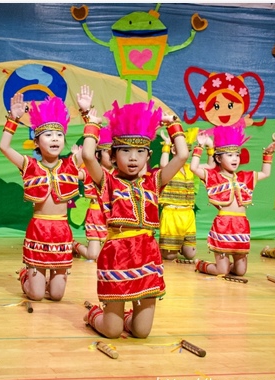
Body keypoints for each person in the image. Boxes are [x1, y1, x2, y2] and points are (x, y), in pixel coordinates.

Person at [80, 88, 189, 339]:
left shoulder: (154, 181)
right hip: (117, 255)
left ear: (149, 155)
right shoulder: (107, 182)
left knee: (141, 333)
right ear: (112, 155)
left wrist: (173, 124)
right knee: (112, 332)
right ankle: (95, 315)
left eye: (140, 152)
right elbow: (87, 155)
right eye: (125, 151)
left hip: (147, 255)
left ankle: (125, 317)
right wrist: (92, 124)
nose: (133, 158)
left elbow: (182, 155)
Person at [0, 92, 83, 302]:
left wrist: (87, 114)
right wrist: (13, 119)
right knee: (36, 295)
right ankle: (25, 275)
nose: (55, 138)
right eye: (48, 135)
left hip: (62, 232)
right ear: (36, 142)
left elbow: (90, 151)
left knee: (56, 295)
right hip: (38, 231)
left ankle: (45, 280)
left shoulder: (72, 164)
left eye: (59, 135)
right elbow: (4, 147)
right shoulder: (29, 165)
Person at [190, 125, 275, 277]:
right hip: (223, 225)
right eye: (230, 155)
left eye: (237, 155)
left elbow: (266, 173)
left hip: (241, 225)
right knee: (222, 272)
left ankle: (226, 265)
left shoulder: (246, 177)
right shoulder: (213, 177)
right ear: (218, 158)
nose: (235, 159)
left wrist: (268, 153)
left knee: (240, 271)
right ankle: (202, 265)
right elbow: (193, 168)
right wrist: (200, 146)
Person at [157, 127, 204, 261]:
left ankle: (182, 245)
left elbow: (211, 166)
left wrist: (203, 146)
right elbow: (163, 164)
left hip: (187, 214)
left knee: (190, 255)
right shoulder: (168, 169)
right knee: (170, 256)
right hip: (171, 213)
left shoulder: (190, 169)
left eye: (188, 150)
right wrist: (167, 144)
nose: (186, 153)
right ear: (174, 150)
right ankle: (167, 248)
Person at [73, 126, 113, 261]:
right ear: (98, 154)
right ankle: (73, 245)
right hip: (95, 215)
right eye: (107, 151)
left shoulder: (119, 174)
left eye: (114, 151)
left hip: (112, 216)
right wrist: (77, 159)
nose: (111, 155)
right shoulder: (89, 171)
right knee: (93, 256)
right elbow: (70, 173)